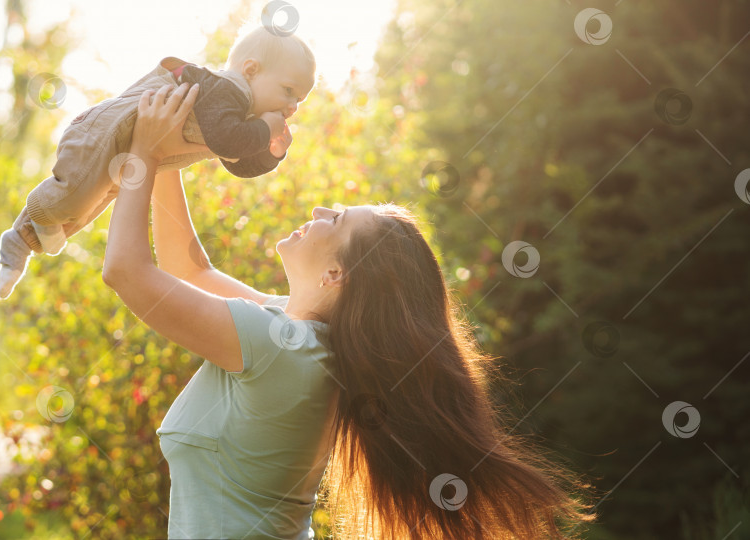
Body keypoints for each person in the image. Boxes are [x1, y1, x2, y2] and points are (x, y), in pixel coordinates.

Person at [102, 85, 598, 539]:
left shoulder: (283, 350)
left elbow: (125, 270)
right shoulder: (298, 339)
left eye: (334, 219)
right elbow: (189, 272)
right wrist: (170, 154)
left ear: (336, 275)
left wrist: (142, 154)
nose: (317, 212)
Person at [0, 25, 315, 300]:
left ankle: (26, 242)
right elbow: (228, 141)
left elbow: (236, 161)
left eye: (299, 99)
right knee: (73, 194)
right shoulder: (225, 90)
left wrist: (272, 153)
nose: (291, 106)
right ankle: (23, 229)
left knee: (88, 207)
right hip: (107, 131)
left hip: (128, 155)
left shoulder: (237, 119)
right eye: (288, 91)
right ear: (250, 70)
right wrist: (267, 129)